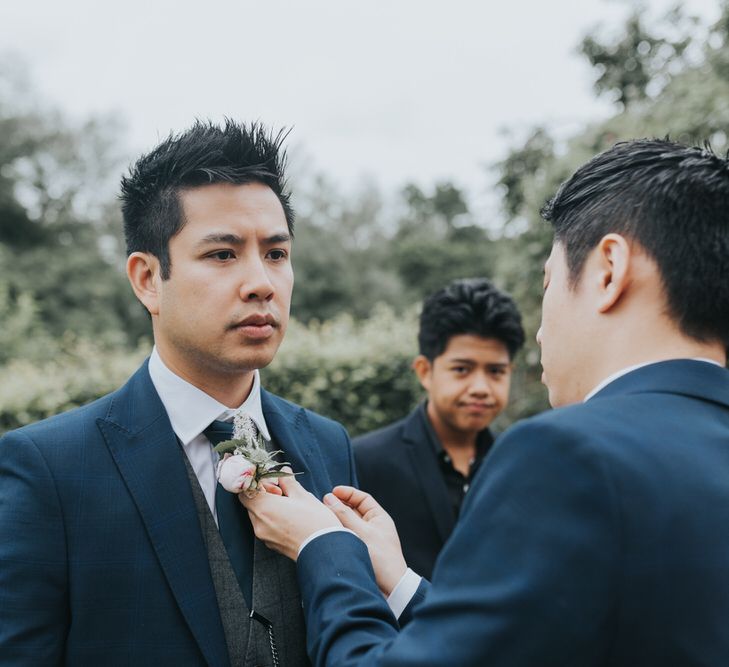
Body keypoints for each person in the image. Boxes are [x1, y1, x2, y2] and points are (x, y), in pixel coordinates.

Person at [242, 138, 729, 666]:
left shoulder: (563, 454)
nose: (541, 332)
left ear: (608, 269)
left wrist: (325, 548)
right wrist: (399, 579)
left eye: (548, 284)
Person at [0, 120, 357, 666]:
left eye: (277, 254)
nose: (261, 281)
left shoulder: (329, 445)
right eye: (222, 254)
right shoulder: (48, 469)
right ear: (147, 279)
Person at [353, 278, 524, 578]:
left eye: (496, 371)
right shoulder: (366, 462)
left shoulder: (518, 464)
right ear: (425, 371)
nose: (481, 388)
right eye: (462, 369)